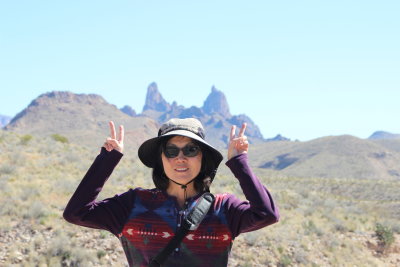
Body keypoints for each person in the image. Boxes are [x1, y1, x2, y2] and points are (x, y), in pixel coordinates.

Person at [63, 118, 279, 267]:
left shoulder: (224, 209)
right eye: (171, 150)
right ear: (161, 159)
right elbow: (76, 213)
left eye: (191, 150)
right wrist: (107, 160)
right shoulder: (133, 204)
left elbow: (267, 214)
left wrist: (239, 162)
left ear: (203, 157)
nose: (180, 158)